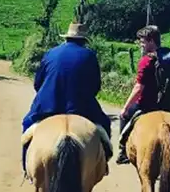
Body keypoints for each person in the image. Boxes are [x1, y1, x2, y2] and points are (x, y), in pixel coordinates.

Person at [21, 22, 112, 172]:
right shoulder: (90, 56)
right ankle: (103, 164)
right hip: (81, 107)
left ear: (66, 38)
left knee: (26, 124)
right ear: (84, 41)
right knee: (105, 124)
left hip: (47, 106)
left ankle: (27, 167)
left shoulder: (50, 53)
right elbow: (95, 86)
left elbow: (38, 84)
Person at [116, 25, 170, 165]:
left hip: (147, 104)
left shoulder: (146, 61)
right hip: (169, 103)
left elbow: (139, 87)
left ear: (151, 41)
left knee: (125, 116)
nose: (141, 45)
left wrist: (125, 107)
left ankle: (123, 151)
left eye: (142, 41)